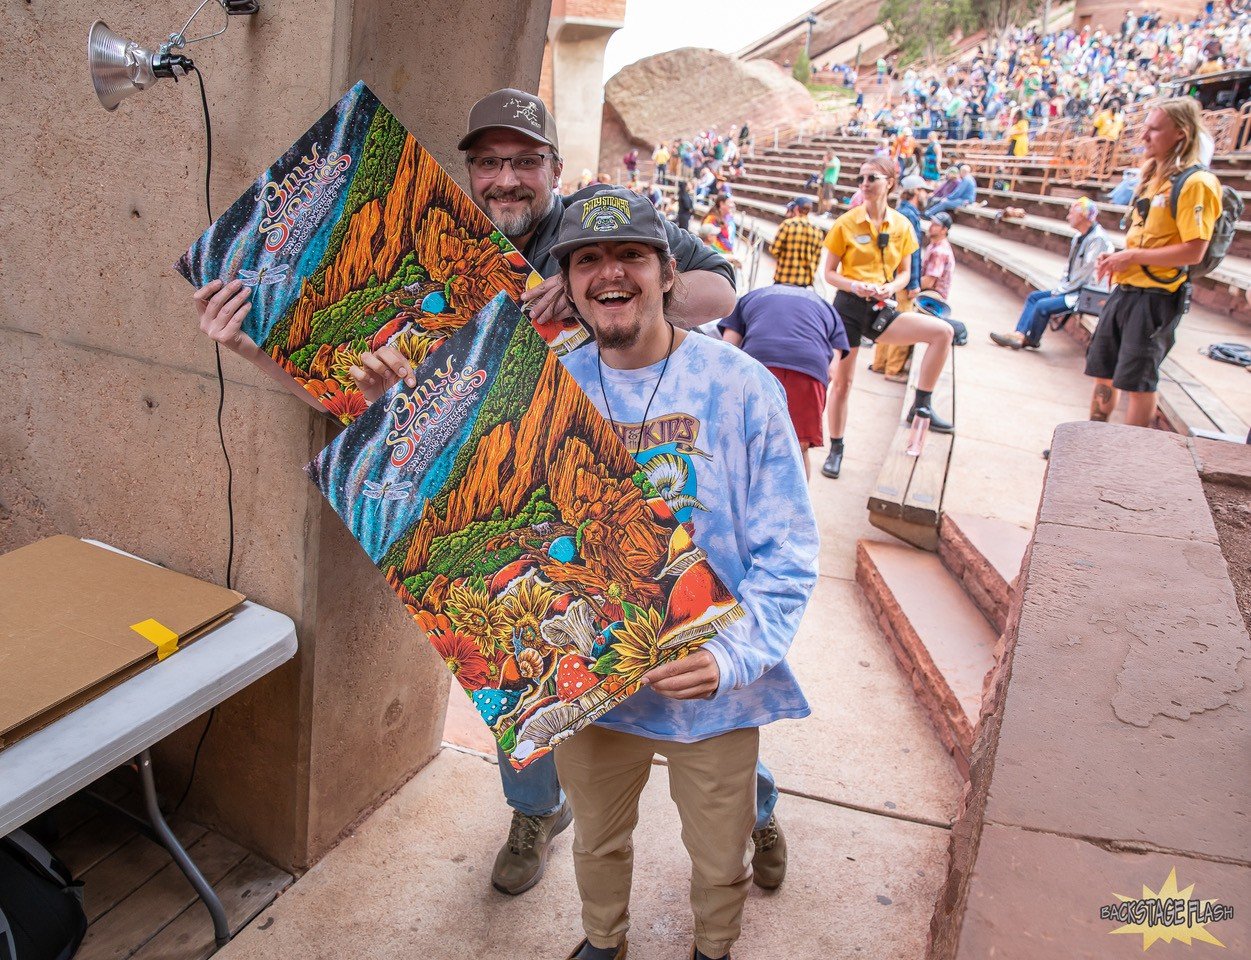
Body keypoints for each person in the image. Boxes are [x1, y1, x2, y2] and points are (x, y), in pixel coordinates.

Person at [193, 88, 751, 901]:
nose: (506, 179)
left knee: (677, 665)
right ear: (469, 171)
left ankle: (752, 805)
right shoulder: (429, 239)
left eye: (524, 160)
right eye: (489, 162)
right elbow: (337, 396)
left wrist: (594, 293)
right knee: (517, 664)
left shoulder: (593, 227)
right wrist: (248, 345)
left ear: (554, 168)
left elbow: (719, 292)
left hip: (611, 481)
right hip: (495, 489)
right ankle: (535, 811)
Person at [547, 189, 819, 960]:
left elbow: (789, 547)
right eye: (587, 259)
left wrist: (733, 655)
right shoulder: (544, 386)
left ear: (668, 272)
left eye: (630, 254)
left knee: (716, 856)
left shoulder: (739, 385)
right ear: (567, 284)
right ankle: (604, 943)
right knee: (596, 841)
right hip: (594, 681)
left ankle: (712, 948)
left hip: (714, 678)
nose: (610, 273)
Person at [1086, 98, 1222, 428]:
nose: (1144, 136)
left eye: (1154, 129)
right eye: (1144, 128)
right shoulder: (1153, 178)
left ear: (1181, 133)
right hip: (1127, 289)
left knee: (1137, 381)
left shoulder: (1197, 184)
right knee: (1103, 371)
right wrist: (1119, 256)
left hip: (1157, 298)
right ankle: (1091, 442)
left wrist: (1131, 256)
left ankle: (1132, 460)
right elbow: (1149, 237)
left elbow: (1194, 251)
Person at [819, 157, 956, 480]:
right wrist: (855, 285)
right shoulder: (846, 223)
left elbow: (907, 274)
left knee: (942, 333)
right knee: (842, 382)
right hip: (848, 307)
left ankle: (921, 403)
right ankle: (836, 447)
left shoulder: (902, 226)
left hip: (882, 306)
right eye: (861, 177)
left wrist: (887, 288)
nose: (864, 183)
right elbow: (829, 273)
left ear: (890, 182)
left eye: (872, 178)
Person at [719, 284, 850, 478]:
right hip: (809, 368)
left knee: (743, 445)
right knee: (798, 448)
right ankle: (797, 508)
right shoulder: (826, 308)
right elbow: (832, 369)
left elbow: (727, 350)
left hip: (758, 362)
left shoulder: (751, 296)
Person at [990, 197, 1112, 349]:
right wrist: (1061, 288)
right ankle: (1020, 334)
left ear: (1082, 216)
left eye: (1072, 213)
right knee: (1034, 297)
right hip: (1071, 288)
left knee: (1043, 305)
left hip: (1085, 294)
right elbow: (1070, 267)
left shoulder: (1098, 239)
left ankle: (1030, 339)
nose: (1068, 216)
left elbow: (1087, 274)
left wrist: (1061, 290)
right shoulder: (1078, 236)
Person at [871, 175, 929, 381]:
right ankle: (893, 369)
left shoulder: (897, 212)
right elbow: (911, 253)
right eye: (924, 191)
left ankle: (879, 363)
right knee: (902, 323)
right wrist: (914, 282)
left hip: (891, 277)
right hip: (902, 281)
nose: (926, 195)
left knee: (887, 318)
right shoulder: (909, 216)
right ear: (914, 192)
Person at [769, 196, 826, 287]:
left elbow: (774, 250)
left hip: (783, 277)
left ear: (796, 208)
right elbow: (817, 258)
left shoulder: (787, 224)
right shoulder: (817, 230)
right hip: (803, 281)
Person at [818, 149, 842, 214]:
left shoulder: (835, 160)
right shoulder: (831, 160)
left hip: (830, 181)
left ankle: (827, 212)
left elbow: (831, 165)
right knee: (824, 198)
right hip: (827, 181)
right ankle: (822, 212)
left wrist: (825, 161)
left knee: (828, 199)